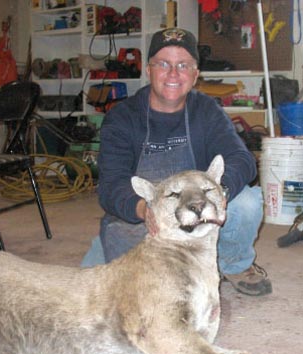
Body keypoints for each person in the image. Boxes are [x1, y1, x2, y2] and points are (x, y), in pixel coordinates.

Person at [81, 27, 272, 297]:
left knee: (248, 203)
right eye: (163, 64)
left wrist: (219, 193)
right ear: (148, 70)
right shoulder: (122, 117)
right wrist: (143, 209)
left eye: (183, 65)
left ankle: (232, 263)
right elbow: (111, 184)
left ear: (195, 74)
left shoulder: (207, 110)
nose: (173, 74)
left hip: (197, 209)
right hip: (146, 216)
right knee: (95, 289)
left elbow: (242, 159)